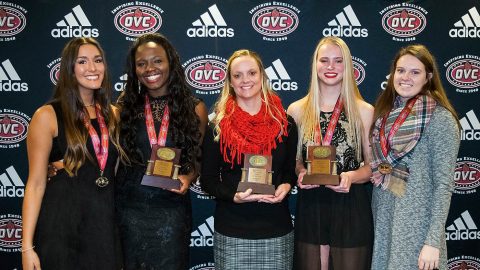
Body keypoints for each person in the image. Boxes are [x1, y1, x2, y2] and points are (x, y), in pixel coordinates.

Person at [21, 37, 126, 270]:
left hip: (103, 228)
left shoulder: (114, 115)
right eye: (82, 61)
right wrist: (27, 246)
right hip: (60, 226)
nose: (92, 68)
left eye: (98, 60)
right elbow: (36, 184)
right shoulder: (47, 115)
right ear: (69, 68)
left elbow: (113, 170)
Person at [115, 33, 208, 270]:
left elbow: (197, 160)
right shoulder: (124, 107)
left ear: (170, 63)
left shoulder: (194, 108)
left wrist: (189, 177)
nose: (150, 68)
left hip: (171, 210)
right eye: (141, 63)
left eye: (157, 60)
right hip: (129, 211)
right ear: (134, 69)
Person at [201, 49, 298, 270]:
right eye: (238, 75)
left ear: (262, 76)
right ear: (230, 82)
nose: (246, 80)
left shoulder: (285, 123)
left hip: (276, 226)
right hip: (233, 228)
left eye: (252, 73)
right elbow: (207, 179)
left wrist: (286, 185)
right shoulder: (217, 126)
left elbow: (291, 170)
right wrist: (233, 196)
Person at [370, 44, 460, 270]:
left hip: (418, 229)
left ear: (428, 77)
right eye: (400, 71)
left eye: (415, 72)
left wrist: (433, 241)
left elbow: (443, 185)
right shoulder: (385, 115)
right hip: (385, 223)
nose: (405, 77)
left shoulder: (441, 119)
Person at [287, 36, 374, 270]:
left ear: (348, 66)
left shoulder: (364, 111)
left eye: (338, 61)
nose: (330, 67)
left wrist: (351, 177)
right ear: (315, 65)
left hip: (350, 206)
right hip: (311, 206)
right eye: (324, 60)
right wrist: (301, 172)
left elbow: (371, 167)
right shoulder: (297, 110)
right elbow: (294, 160)